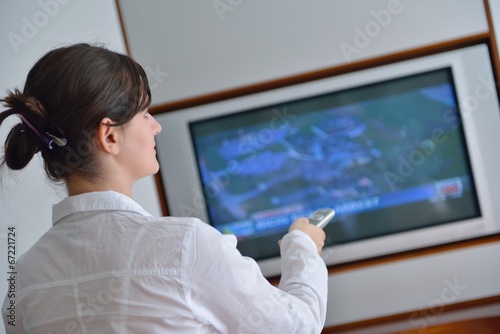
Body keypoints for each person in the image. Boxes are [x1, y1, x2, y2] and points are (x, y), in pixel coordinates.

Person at [0, 43, 328, 333]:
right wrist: (302, 246)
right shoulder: (185, 246)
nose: (156, 126)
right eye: (144, 113)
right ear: (110, 136)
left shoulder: (24, 279)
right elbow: (296, 326)